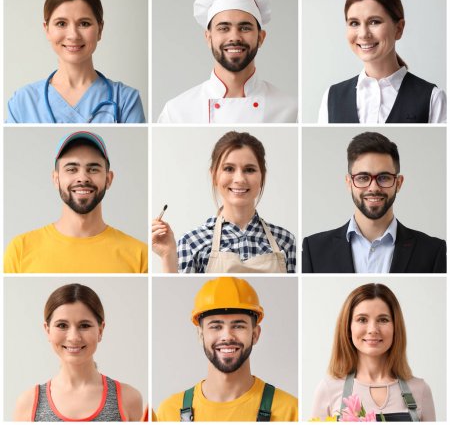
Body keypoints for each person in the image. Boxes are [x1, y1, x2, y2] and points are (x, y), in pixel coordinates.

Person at [4, 130, 148, 273]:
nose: (83, 178)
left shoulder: (139, 254)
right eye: (72, 169)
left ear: (108, 179)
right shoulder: (20, 250)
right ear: (56, 179)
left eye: (93, 169)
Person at [152, 131, 296, 273]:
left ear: (262, 177)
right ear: (214, 176)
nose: (239, 179)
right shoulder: (191, 243)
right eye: (229, 169)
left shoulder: (285, 241)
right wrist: (167, 255)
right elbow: (180, 295)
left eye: (249, 170)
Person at [157, 277, 298, 421]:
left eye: (238, 326)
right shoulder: (168, 413)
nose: (227, 336)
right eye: (216, 326)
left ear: (255, 334)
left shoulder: (290, 412)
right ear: (201, 335)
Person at [302, 132, 446, 273]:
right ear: (349, 183)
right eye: (363, 178)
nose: (374, 188)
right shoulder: (314, 250)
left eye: (384, 177)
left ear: (399, 183)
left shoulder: (433, 251)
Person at [157, 0, 297, 123]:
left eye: (245, 28)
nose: (235, 37)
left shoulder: (290, 110)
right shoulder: (177, 113)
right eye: (224, 28)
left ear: (261, 38)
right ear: (208, 38)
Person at [6, 0, 145, 123]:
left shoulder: (126, 100)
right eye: (61, 23)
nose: (73, 35)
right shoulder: (22, 103)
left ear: (100, 30)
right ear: (47, 30)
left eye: (84, 23)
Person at [318, 0, 446, 123]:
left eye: (374, 22)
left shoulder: (432, 98)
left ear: (399, 29)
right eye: (354, 23)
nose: (363, 34)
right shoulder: (332, 97)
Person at [14, 283, 143, 421]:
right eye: (62, 325)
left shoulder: (129, 399)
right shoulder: (28, 404)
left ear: (100, 330)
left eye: (84, 326)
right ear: (47, 330)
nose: (74, 337)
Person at [311, 283, 436, 421]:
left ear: (396, 328)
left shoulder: (420, 390)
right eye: (362, 319)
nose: (373, 329)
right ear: (348, 328)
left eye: (383, 320)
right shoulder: (328, 390)